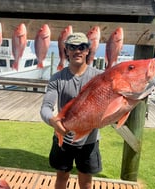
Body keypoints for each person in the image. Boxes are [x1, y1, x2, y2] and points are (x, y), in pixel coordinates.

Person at [40, 32, 103, 189]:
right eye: (72, 47)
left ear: (88, 50)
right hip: (64, 137)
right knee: (61, 177)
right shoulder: (57, 78)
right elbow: (46, 107)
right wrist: (53, 121)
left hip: (89, 139)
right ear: (66, 50)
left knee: (86, 181)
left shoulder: (98, 77)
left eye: (82, 47)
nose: (77, 51)